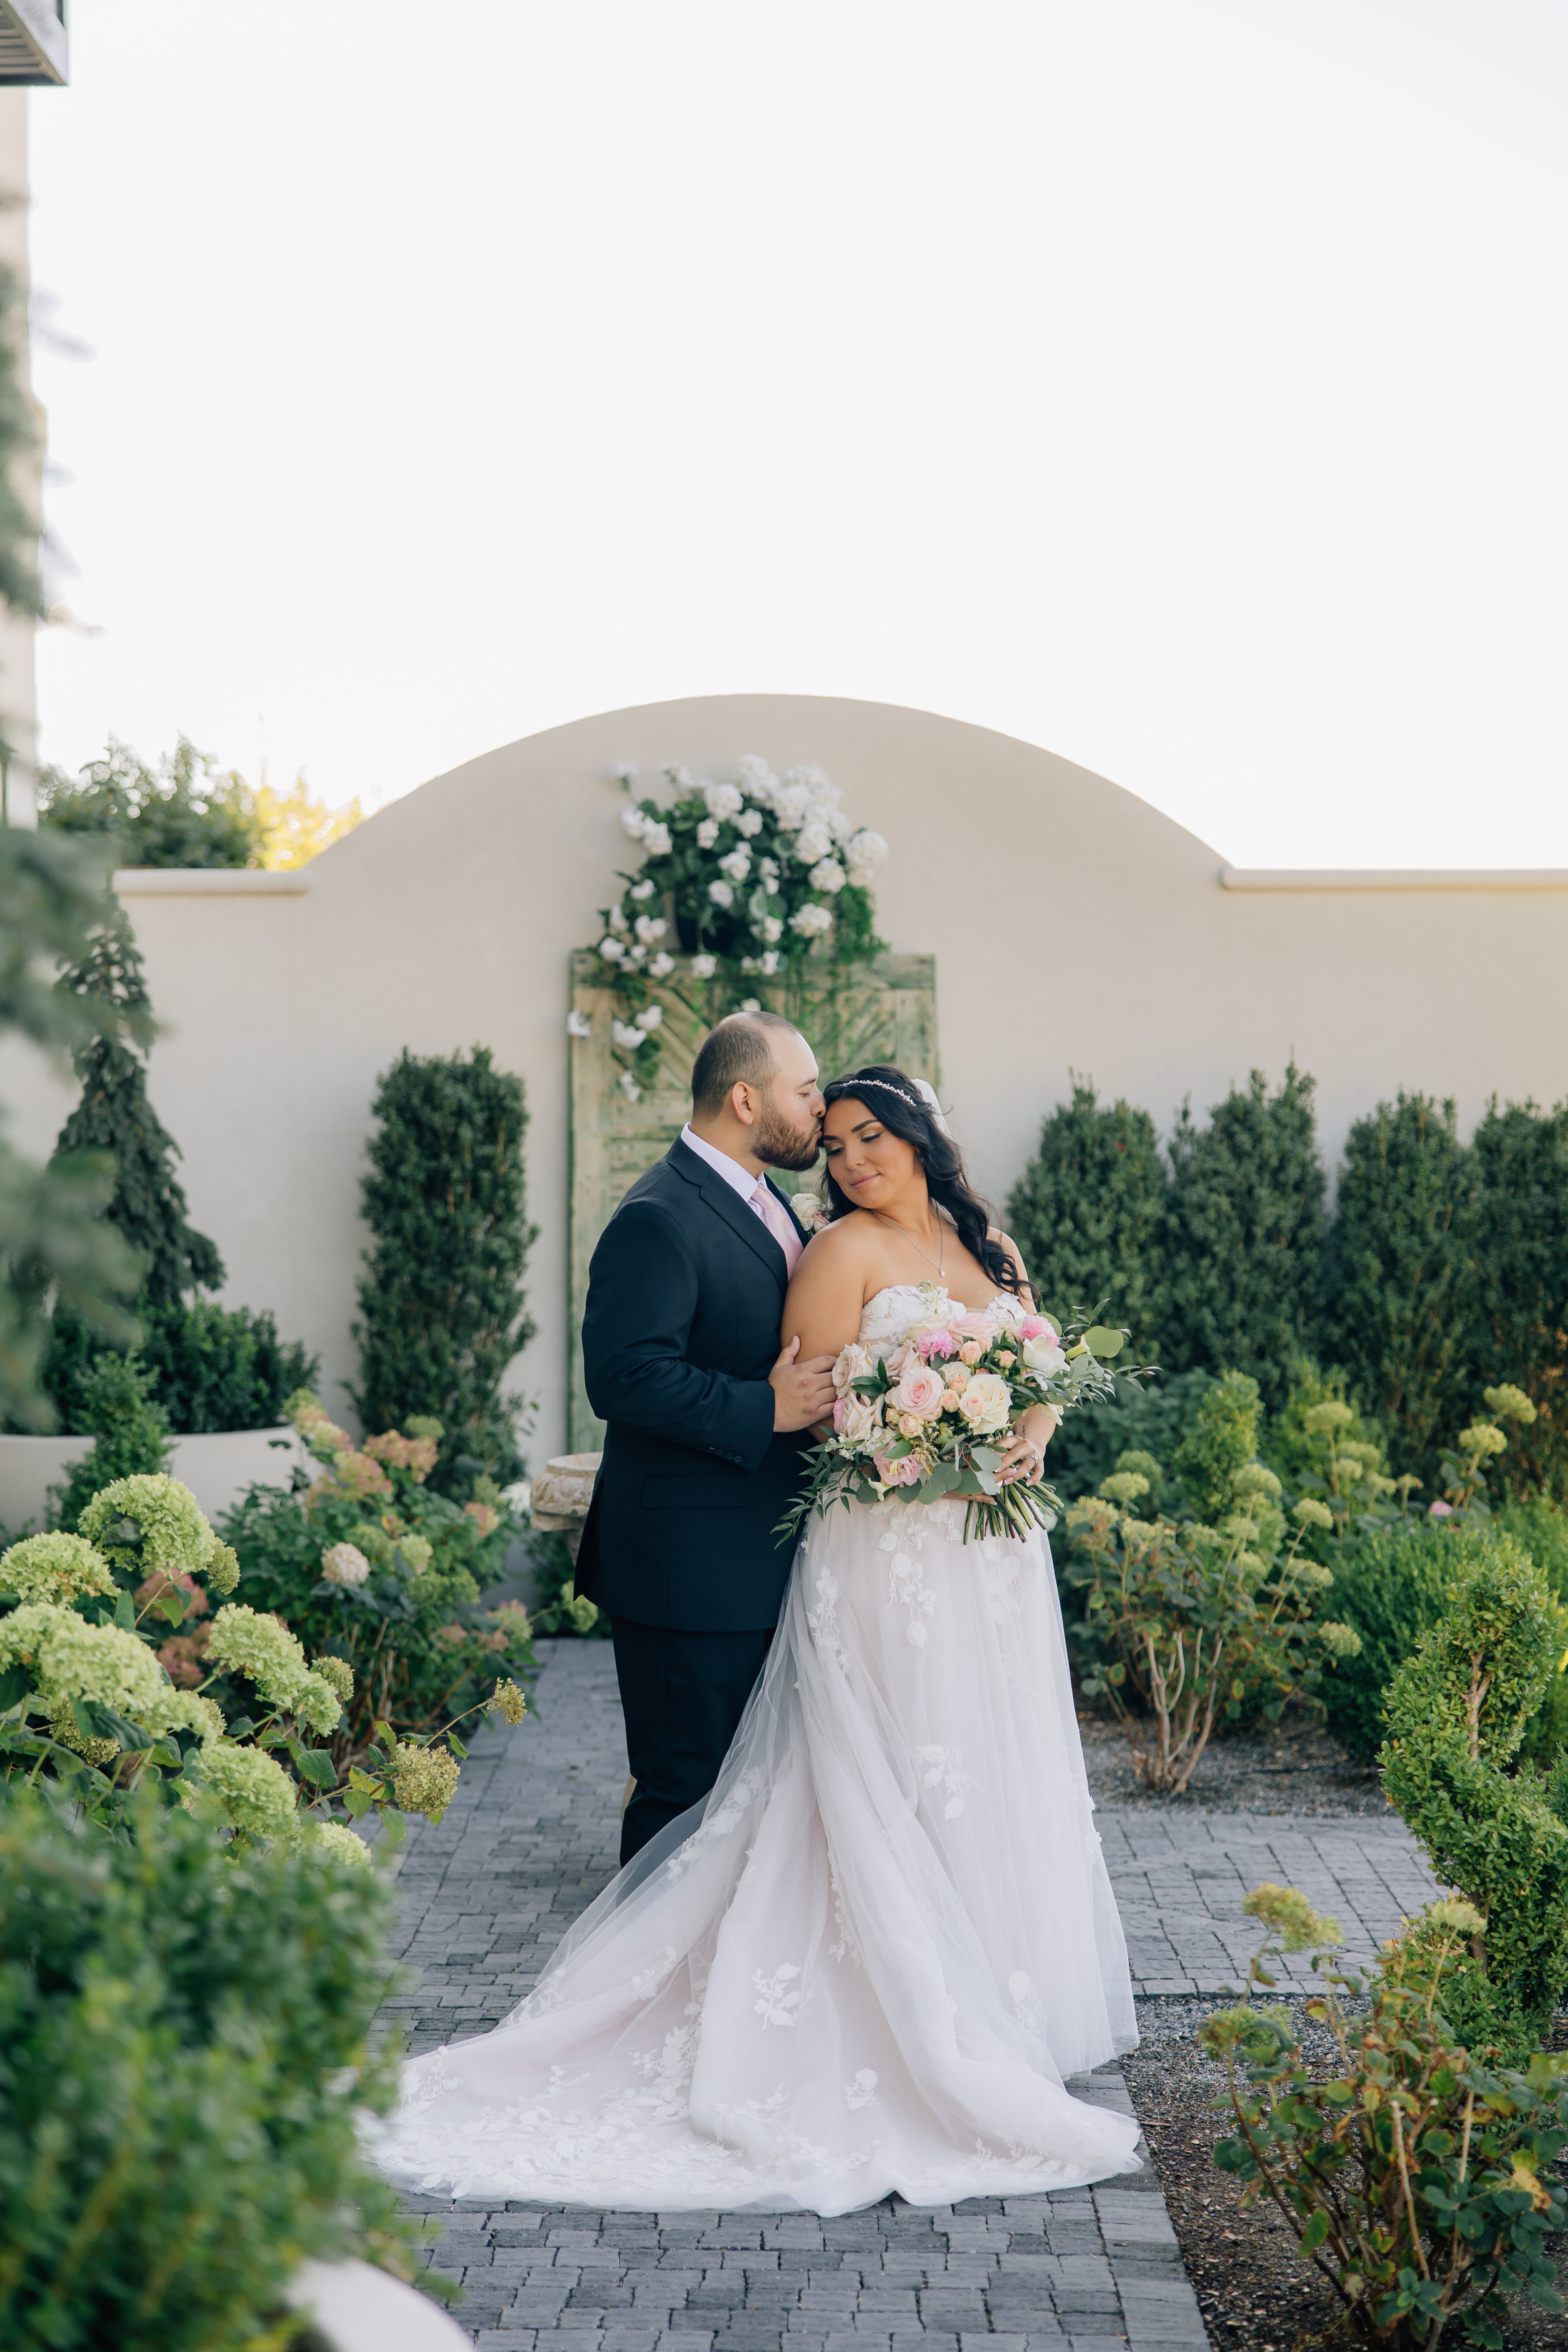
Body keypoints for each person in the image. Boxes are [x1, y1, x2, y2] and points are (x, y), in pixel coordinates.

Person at [375, 1061, 1140, 2215]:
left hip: (988, 1555)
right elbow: (821, 1413)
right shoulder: (835, 1255)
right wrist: (913, 1435)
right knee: (884, 1773)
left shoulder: (995, 1249)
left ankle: (1004, 2003)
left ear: (922, 1133)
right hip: (885, 1554)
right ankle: (883, 2016)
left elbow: (1042, 1363)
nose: (849, 1161)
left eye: (869, 1136)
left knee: (988, 1764)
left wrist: (1027, 1428)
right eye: (832, 1143)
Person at [574, 1009, 836, 1864]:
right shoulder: (658, 1214)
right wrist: (765, 1407)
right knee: (684, 1794)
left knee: (745, 1798)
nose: (820, 1107)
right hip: (686, 1568)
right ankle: (641, 1990)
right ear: (745, 1098)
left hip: (750, 1554)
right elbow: (624, 1375)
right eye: (804, 1091)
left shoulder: (760, 1200)